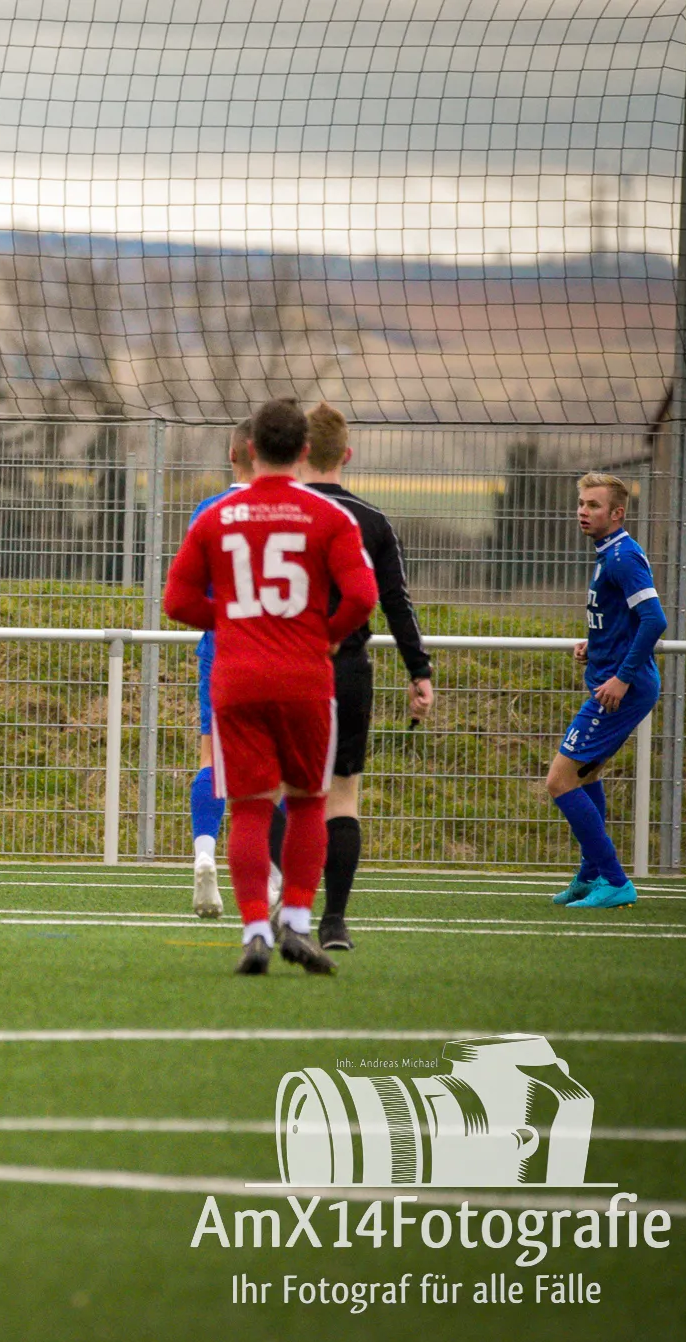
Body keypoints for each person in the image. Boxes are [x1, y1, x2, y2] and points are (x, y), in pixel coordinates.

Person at [162, 398, 378, 975]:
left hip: (238, 677)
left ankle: (255, 928)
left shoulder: (217, 515)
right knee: (307, 802)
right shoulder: (331, 516)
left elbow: (176, 601)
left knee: (250, 809)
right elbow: (363, 596)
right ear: (304, 451)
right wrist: (325, 635)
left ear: (250, 449)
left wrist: (234, 619)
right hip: (305, 675)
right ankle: (298, 922)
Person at [261, 402, 436, 951]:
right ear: (348, 455)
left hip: (282, 664)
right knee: (341, 798)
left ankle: (289, 902)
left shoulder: (275, 513)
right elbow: (395, 601)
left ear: (301, 452)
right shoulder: (371, 521)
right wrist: (419, 670)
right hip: (346, 669)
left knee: (273, 792)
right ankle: (334, 922)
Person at [545, 473, 664, 910]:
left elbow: (654, 620)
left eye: (593, 505)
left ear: (617, 513)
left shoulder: (622, 557)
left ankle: (614, 880)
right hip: (612, 679)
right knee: (587, 775)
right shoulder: (609, 553)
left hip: (621, 689)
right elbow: (622, 619)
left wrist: (622, 677)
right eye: (581, 503)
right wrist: (594, 645)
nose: (583, 511)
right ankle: (591, 874)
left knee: (559, 781)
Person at [185, 419, 256, 919]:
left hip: (222, 647)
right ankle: (271, 875)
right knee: (274, 766)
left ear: (233, 453)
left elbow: (184, 591)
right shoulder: (294, 510)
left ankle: (205, 853)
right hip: (279, 649)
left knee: (213, 758)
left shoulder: (208, 511)